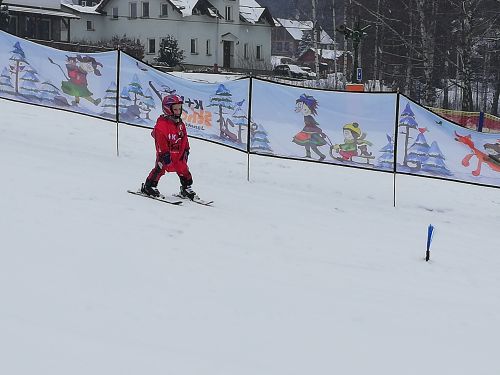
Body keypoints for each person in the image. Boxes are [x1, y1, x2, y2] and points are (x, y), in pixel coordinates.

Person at [141, 94, 197, 200]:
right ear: (168, 110)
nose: (178, 111)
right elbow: (160, 141)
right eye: (175, 109)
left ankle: (186, 187)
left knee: (183, 169)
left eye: (179, 109)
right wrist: (164, 153)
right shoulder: (161, 125)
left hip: (178, 154)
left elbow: (184, 138)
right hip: (166, 153)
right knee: (160, 168)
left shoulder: (180, 124)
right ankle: (149, 186)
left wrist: (186, 149)